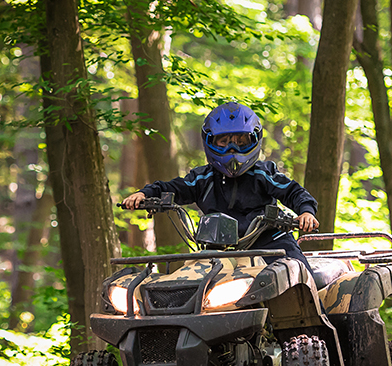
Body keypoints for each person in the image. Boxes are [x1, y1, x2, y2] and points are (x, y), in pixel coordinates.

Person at [120, 101, 318, 269]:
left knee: (297, 272)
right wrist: (145, 194)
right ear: (209, 141)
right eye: (224, 142)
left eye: (240, 141)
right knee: (187, 287)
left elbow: (293, 191)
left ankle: (318, 314)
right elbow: (174, 187)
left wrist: (306, 212)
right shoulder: (202, 178)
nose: (232, 149)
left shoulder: (263, 173)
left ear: (254, 140)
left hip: (271, 243)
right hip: (216, 250)